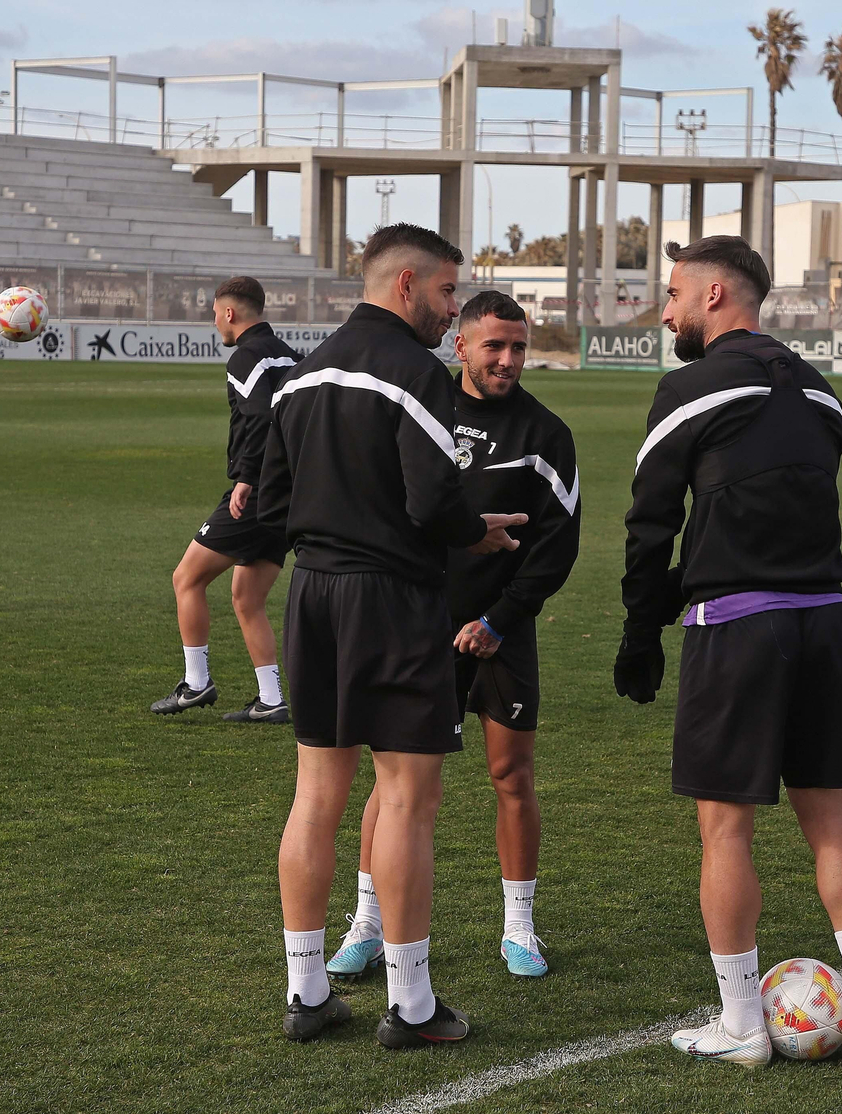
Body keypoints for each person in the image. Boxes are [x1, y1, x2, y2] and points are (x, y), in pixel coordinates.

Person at [616, 235, 842, 1067]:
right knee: (830, 817)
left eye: (672, 295)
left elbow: (651, 521)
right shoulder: (821, 392)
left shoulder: (690, 385)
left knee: (725, 829)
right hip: (824, 617)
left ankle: (742, 1026)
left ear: (713, 296)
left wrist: (639, 630)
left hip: (736, 624)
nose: (663, 310)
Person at [257, 223, 527, 1047]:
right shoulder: (415, 371)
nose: (453, 312)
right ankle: (410, 1006)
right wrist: (472, 532)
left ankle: (308, 995)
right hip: (394, 599)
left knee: (316, 795)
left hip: (313, 594)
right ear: (405, 285)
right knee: (408, 799)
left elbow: (269, 505)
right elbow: (432, 501)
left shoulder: (300, 374)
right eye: (448, 292)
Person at [329, 290, 579, 982]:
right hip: (415, 624)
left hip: (503, 628)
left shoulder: (545, 435)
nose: (507, 360)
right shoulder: (419, 403)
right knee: (395, 785)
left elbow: (557, 547)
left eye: (519, 347)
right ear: (460, 346)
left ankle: (520, 928)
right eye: (494, 345)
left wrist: (501, 619)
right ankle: (367, 924)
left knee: (511, 776)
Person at [149, 277, 300, 722]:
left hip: (260, 491)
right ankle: (271, 700)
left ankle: (196, 684)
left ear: (230, 313)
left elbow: (259, 417)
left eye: (215, 313)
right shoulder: (288, 355)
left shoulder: (246, 357)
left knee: (186, 579)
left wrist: (247, 478)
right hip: (291, 492)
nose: (214, 322)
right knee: (247, 597)